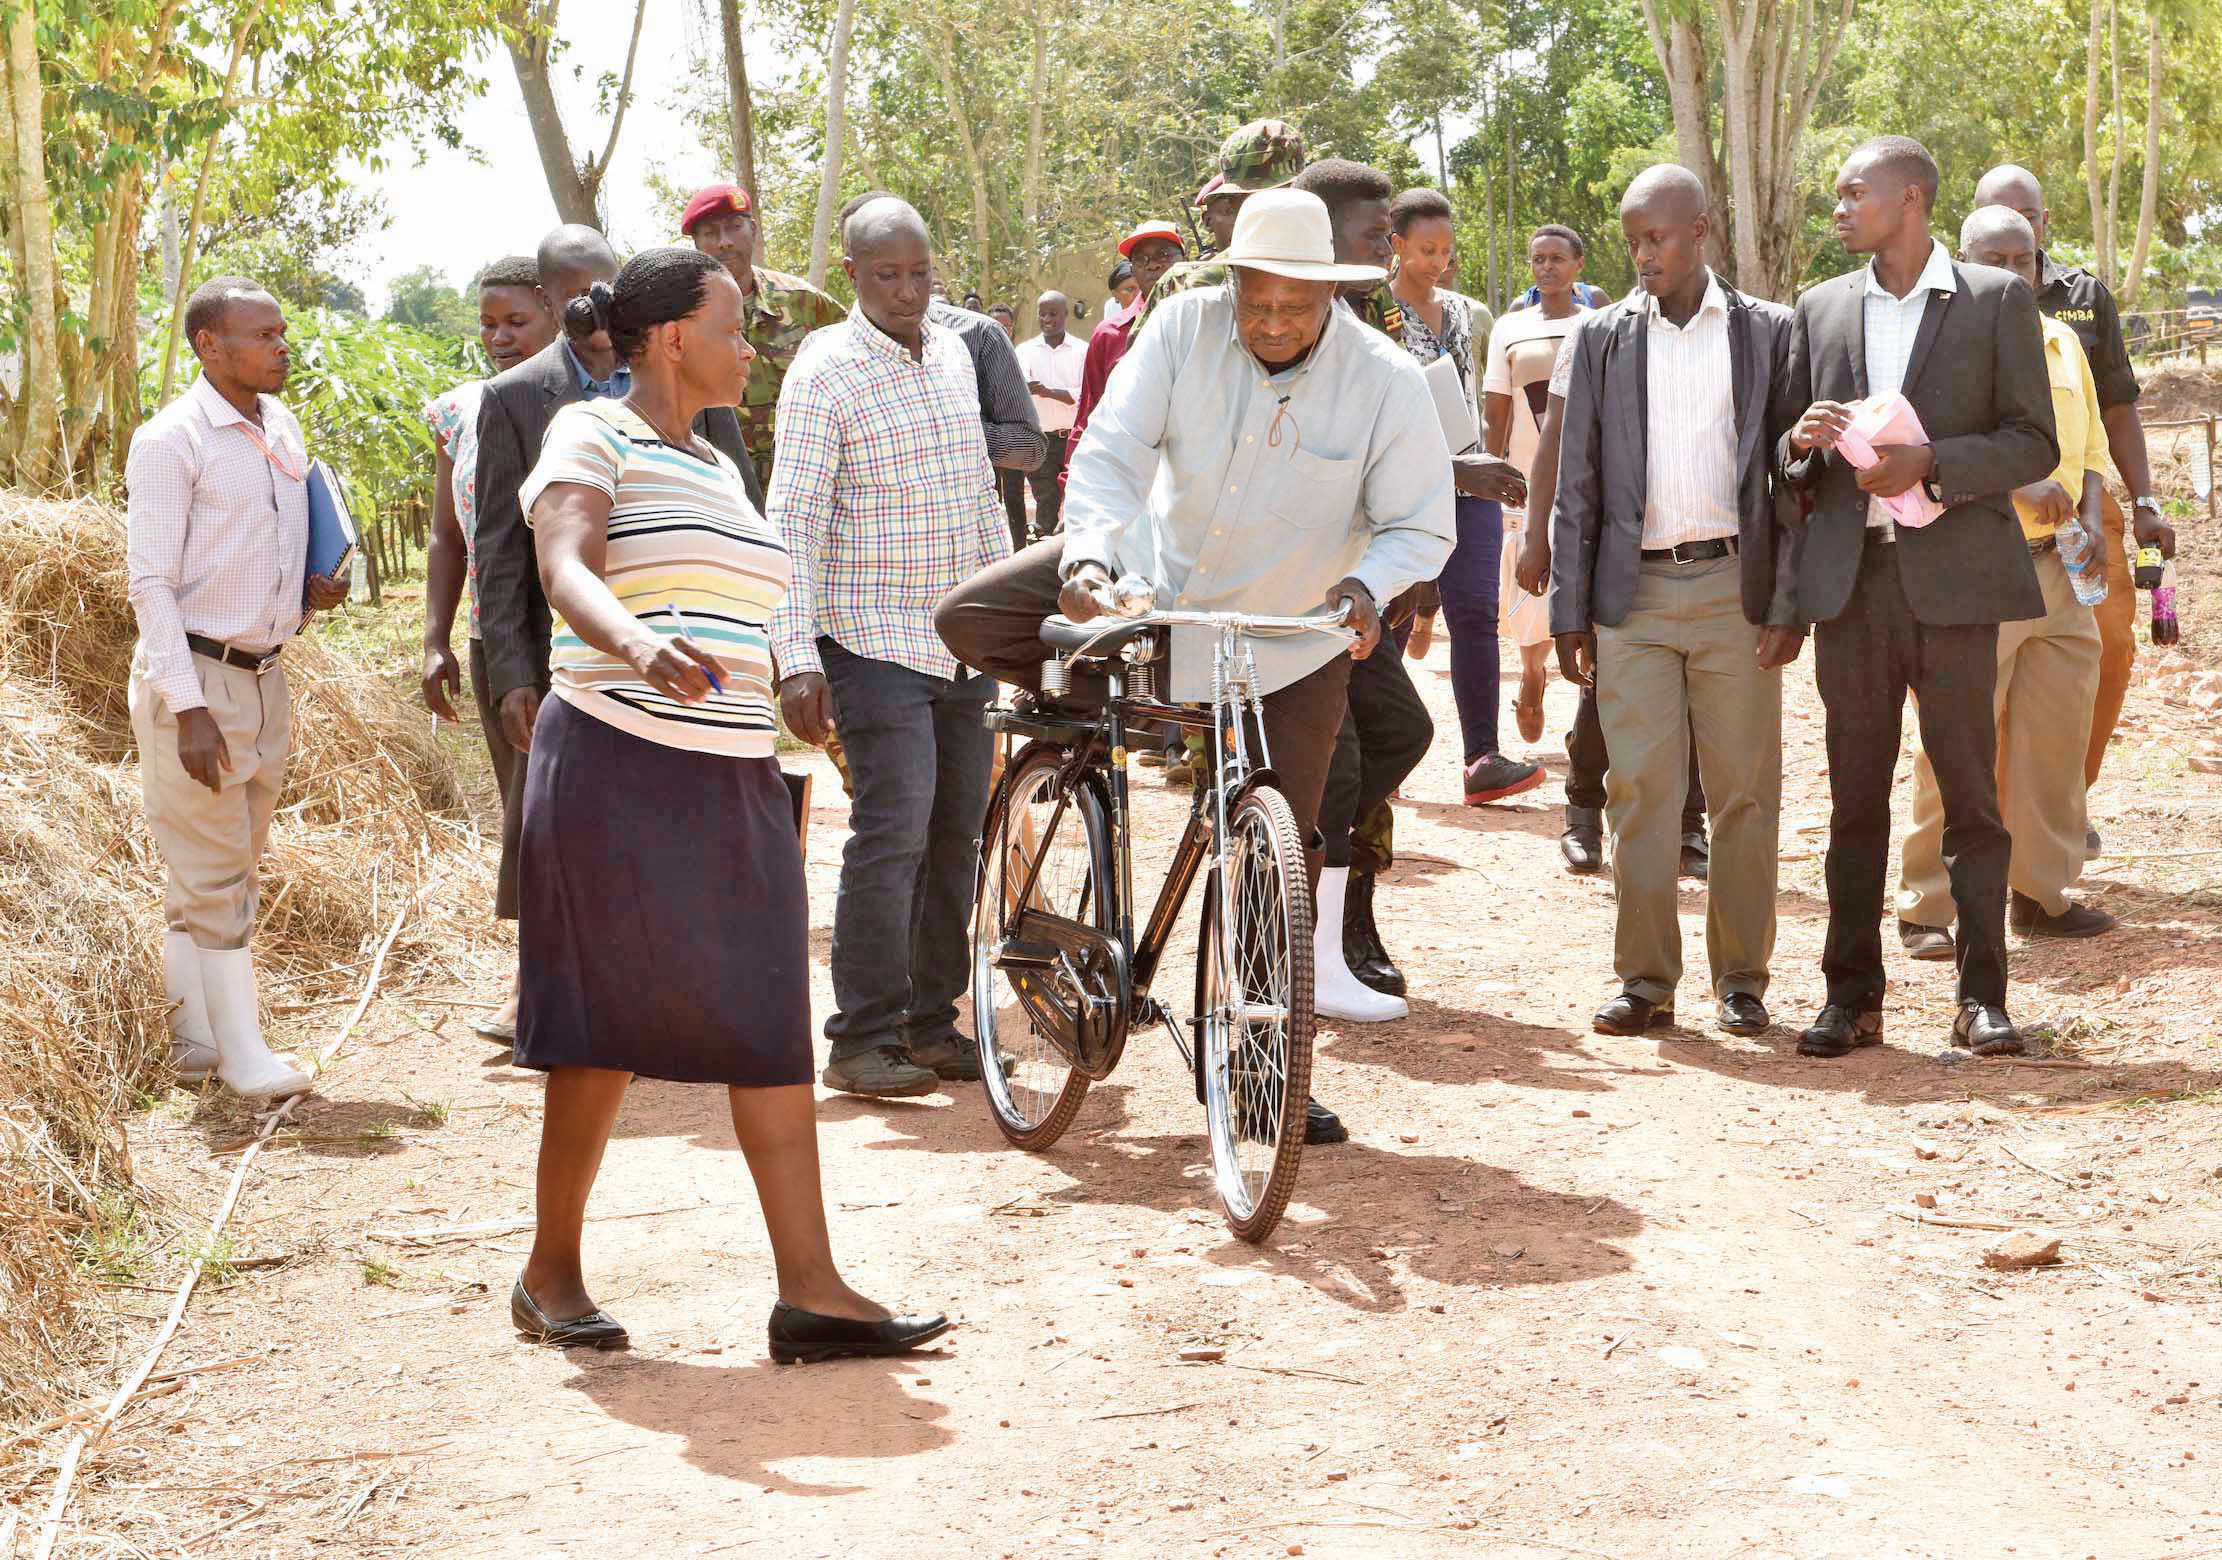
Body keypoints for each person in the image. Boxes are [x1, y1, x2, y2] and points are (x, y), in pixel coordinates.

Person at [933, 187, 1457, 1144]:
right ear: (1235, 282)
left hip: (1288, 639)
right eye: (1254, 302)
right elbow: (1112, 453)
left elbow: (1420, 522)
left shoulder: (1384, 378)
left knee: (1272, 850)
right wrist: (1090, 556)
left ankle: (1255, 1070)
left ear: (1329, 296)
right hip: (1151, 589)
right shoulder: (1178, 329)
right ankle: (1079, 736)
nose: (1269, 323)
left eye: (1292, 309)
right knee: (969, 616)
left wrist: (1366, 590)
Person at [509, 245, 947, 1361]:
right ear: (668, 342)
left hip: (731, 773)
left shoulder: (712, 463)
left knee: (766, 1019)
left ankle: (812, 1290)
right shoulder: (588, 432)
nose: (749, 347)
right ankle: (549, 1270)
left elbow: (747, 610)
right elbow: (565, 564)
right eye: (734, 326)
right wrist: (636, 640)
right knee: (600, 1025)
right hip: (614, 758)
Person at [1777, 135, 2058, 1060]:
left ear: (1912, 199)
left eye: (1855, 194)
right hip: (1854, 590)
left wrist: (1933, 464)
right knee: (1855, 800)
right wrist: (1801, 444)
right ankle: (1850, 997)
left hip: (1956, 584)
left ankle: (1982, 998)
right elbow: (1785, 467)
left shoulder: (1996, 299)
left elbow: (2031, 443)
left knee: (1972, 799)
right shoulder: (1818, 309)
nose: (1840, 210)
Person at [1551, 167, 1803, 1039]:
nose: (1642, 256)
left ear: (1700, 229)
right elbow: (1576, 481)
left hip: (1738, 589)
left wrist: (1788, 601)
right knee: (1641, 792)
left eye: (1656, 238)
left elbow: (1792, 481)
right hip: (1636, 597)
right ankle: (1647, 980)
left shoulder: (1770, 332)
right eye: (1631, 242)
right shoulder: (1603, 338)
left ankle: (1742, 979)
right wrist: (1567, 611)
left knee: (1743, 796)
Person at [769, 196, 1010, 1100]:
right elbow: (790, 521)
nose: (907, 292)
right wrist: (794, 657)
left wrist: (1006, 620)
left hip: (959, 643)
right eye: (886, 276)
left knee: (957, 836)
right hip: (868, 641)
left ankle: (932, 1022)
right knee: (893, 830)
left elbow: (980, 500)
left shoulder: (953, 352)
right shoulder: (824, 371)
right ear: (852, 278)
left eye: (920, 272)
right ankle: (861, 1037)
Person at [125, 276, 352, 1098]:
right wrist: (186, 708)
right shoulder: (170, 441)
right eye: (262, 335)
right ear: (208, 347)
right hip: (197, 681)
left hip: (264, 673)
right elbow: (150, 583)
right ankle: (245, 1060)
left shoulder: (280, 426)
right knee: (217, 872)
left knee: (224, 865)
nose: (281, 347)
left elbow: (278, 542)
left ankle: (194, 1042)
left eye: (283, 333)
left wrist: (310, 592)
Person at [1896, 206, 2118, 958]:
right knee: (1954, 744)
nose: (2010, 274)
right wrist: (2014, 489)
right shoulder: (1942, 350)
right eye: (1993, 259)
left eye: (2022, 260)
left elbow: (2086, 454)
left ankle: (2042, 894)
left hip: (2059, 574)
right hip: (1976, 566)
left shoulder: (2062, 344)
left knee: (2054, 740)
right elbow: (1920, 456)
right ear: (1960, 261)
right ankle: (1926, 907)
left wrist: (2087, 522)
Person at [1972, 164, 2177, 855]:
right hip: (1984, 513)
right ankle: (1998, 818)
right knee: (1979, 675)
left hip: (2083, 509)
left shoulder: (2083, 299)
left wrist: (2141, 500)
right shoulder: (1950, 300)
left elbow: (2117, 409)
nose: (2012, 230)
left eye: (2024, 219)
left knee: (2106, 653)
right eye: (1995, 219)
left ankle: (2063, 803)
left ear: (2044, 222)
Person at [418, 256, 560, 1043]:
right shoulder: (457, 412)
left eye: (517, 322)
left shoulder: (587, 398)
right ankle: (530, 985)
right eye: (489, 323)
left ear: (555, 313)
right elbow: (446, 537)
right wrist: (435, 639)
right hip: (499, 644)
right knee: (526, 817)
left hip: (580, 640)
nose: (499, 338)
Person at [1519, 330, 1712, 879]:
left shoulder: (1712, 337)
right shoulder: (1592, 339)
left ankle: (1687, 826)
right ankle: (1582, 811)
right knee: (1602, 684)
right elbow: (1552, 440)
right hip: (1608, 536)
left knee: (1694, 691)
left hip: (1692, 542)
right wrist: (1537, 537)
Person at [1485, 225, 1594, 745]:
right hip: (1526, 486)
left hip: (1588, 487)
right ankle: (1531, 678)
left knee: (1588, 600)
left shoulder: (1599, 326)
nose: (1546, 267)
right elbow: (1495, 414)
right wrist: (1491, 474)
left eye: (1556, 258)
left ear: (1578, 265)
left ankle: (1586, 722)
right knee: (1532, 595)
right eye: (1537, 259)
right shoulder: (1509, 328)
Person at [680, 182, 847, 495]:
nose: (724, 242)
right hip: (719, 487)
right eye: (710, 233)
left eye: (734, 227)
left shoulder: (804, 303)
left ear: (753, 230)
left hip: (807, 479)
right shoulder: (677, 315)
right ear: (695, 242)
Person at [1135, 119, 1308, 326]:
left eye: (1288, 197)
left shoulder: (1336, 272)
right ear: (1232, 205)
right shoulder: (1193, 284)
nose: (1280, 212)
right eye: (1264, 200)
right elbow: (1148, 355)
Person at [1068, 222, 1188, 472]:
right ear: (1132, 269)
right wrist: (1069, 481)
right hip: (1129, 474)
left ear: (1185, 259)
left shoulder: (1211, 320)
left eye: (1164, 255)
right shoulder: (1109, 334)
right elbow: (1088, 416)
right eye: (1141, 259)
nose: (1153, 265)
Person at [1014, 291, 1087, 537]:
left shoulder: (1082, 350)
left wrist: (1048, 392)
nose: (1047, 319)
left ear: (1066, 315)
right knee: (1046, 498)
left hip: (1072, 440)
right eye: (1042, 314)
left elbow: (1083, 393)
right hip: (1040, 438)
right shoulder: (1025, 351)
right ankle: (1044, 551)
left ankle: (1074, 550)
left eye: (1053, 313)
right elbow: (1020, 386)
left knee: (1077, 496)